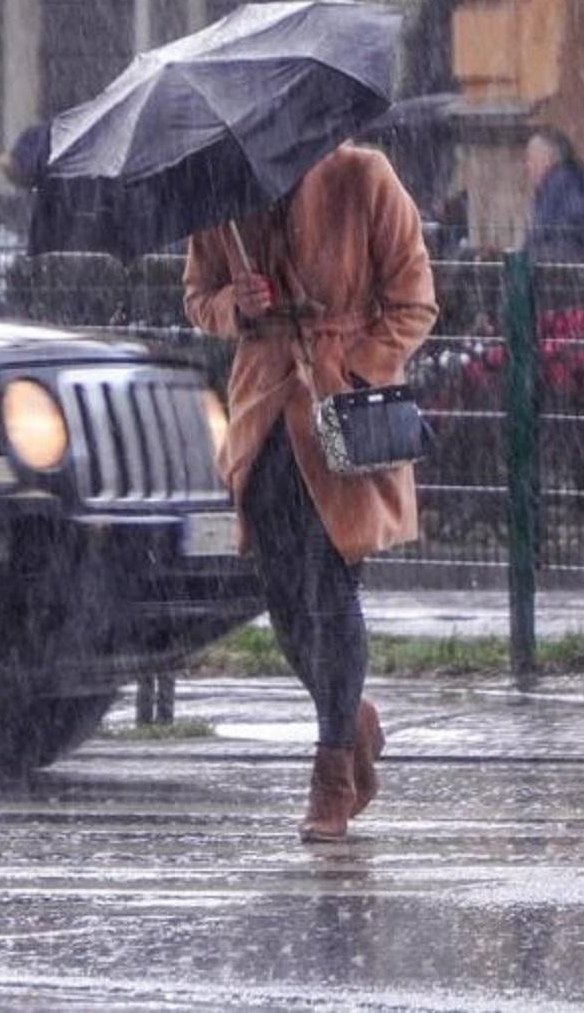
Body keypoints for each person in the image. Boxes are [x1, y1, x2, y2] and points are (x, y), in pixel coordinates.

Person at [183, 141, 438, 843]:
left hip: (341, 421)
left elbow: (414, 300)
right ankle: (352, 716)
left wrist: (354, 366)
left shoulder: (363, 176)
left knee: (329, 590)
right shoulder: (221, 196)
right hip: (262, 415)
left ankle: (332, 770)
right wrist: (234, 304)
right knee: (285, 601)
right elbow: (197, 298)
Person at [522, 126, 584, 262]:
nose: (527, 166)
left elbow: (547, 240)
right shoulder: (574, 181)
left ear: (547, 159)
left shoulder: (559, 188)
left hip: (575, 273)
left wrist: (526, 258)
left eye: (530, 158)